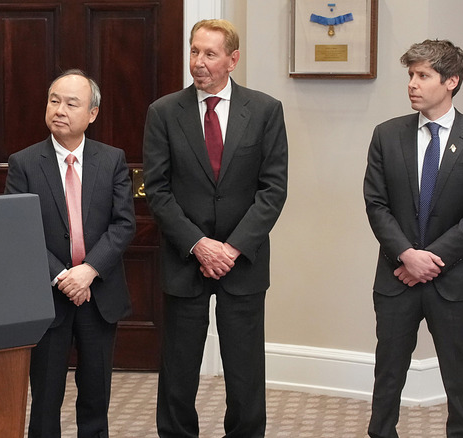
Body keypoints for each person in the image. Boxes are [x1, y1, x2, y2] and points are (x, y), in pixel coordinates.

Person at [143, 19, 288, 438]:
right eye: (194, 51)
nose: (199, 62)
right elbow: (157, 190)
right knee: (178, 368)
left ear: (232, 59)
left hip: (242, 261)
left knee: (244, 369)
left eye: (209, 54)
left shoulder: (264, 110)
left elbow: (273, 189)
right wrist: (199, 244)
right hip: (185, 257)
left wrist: (232, 248)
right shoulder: (164, 112)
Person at [363, 39, 463, 438]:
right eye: (411, 74)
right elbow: (376, 205)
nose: (412, 83)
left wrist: (428, 260)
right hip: (396, 278)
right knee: (388, 371)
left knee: (459, 375)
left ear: (451, 81)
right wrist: (407, 255)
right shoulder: (386, 135)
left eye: (423, 75)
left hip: (454, 282)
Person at [5, 69, 135, 437]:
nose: (59, 109)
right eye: (54, 100)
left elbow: (124, 224)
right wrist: (64, 276)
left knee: (96, 395)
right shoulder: (24, 163)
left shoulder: (111, 160)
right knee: (45, 399)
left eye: (71, 103)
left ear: (92, 113)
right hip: (49, 297)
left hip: (99, 295)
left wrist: (89, 270)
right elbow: (19, 230)